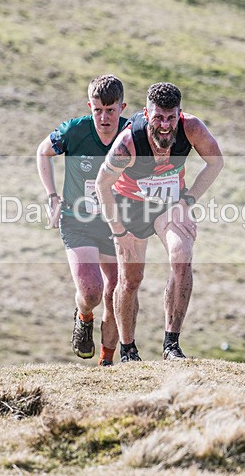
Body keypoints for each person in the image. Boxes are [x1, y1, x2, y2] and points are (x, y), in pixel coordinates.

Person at [95, 82, 224, 362]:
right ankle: (128, 350)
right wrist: (118, 231)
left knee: (182, 257)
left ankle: (171, 344)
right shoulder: (128, 143)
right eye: (158, 117)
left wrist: (186, 201)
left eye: (170, 117)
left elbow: (216, 162)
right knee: (130, 279)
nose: (165, 125)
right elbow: (101, 185)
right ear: (146, 113)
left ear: (179, 113)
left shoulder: (191, 128)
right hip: (130, 207)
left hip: (170, 204)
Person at [36, 74, 127, 365]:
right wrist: (52, 196)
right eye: (97, 110)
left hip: (115, 223)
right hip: (77, 220)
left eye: (110, 111)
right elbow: (43, 152)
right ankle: (83, 315)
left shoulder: (130, 133)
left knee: (115, 292)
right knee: (91, 291)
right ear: (90, 106)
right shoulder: (75, 131)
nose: (103, 117)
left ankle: (107, 361)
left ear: (122, 108)